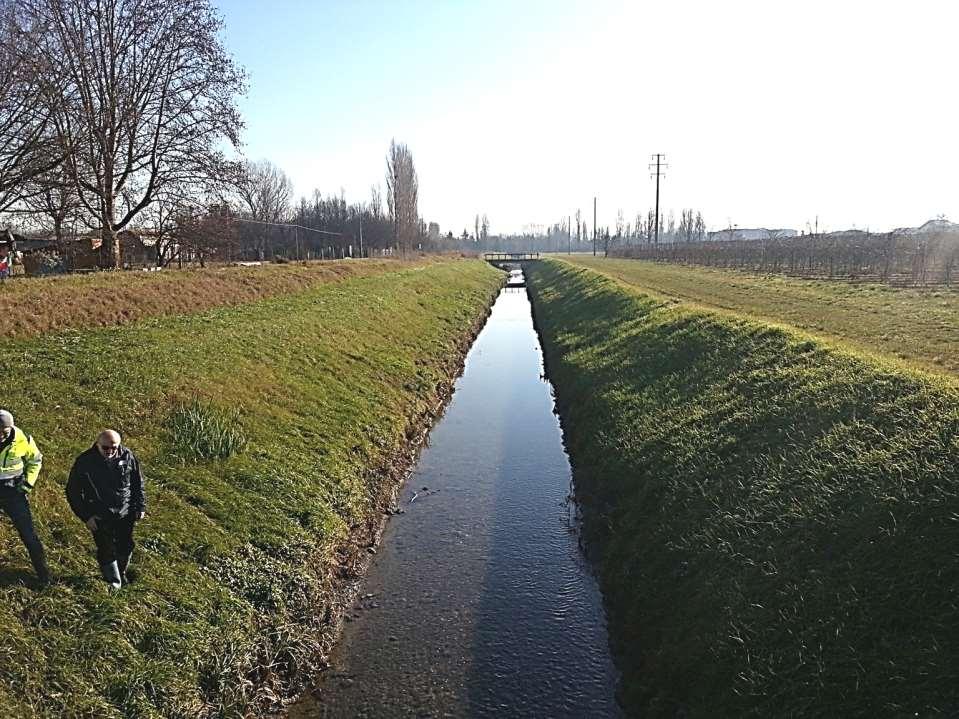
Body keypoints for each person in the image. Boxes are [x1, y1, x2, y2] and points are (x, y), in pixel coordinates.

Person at [66, 430, 145, 590]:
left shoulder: (128, 456)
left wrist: (140, 506)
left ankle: (121, 573)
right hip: (99, 515)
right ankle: (113, 583)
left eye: (114, 448)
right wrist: (86, 516)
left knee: (126, 546)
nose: (110, 451)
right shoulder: (85, 461)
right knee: (106, 549)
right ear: (97, 444)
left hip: (125, 512)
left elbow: (138, 482)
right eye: (105, 448)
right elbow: (72, 492)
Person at [0, 410, 49, 586]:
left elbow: (35, 460)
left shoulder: (23, 439)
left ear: (10, 428)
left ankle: (44, 576)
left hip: (14, 493)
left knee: (29, 535)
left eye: (3, 432)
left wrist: (28, 483)